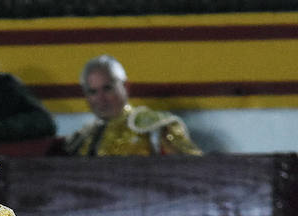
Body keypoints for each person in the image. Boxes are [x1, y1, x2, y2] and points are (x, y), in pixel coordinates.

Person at [64, 55, 202, 157]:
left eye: (107, 88)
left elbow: (194, 169)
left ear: (125, 87)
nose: (101, 98)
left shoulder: (157, 127)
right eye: (92, 92)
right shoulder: (80, 139)